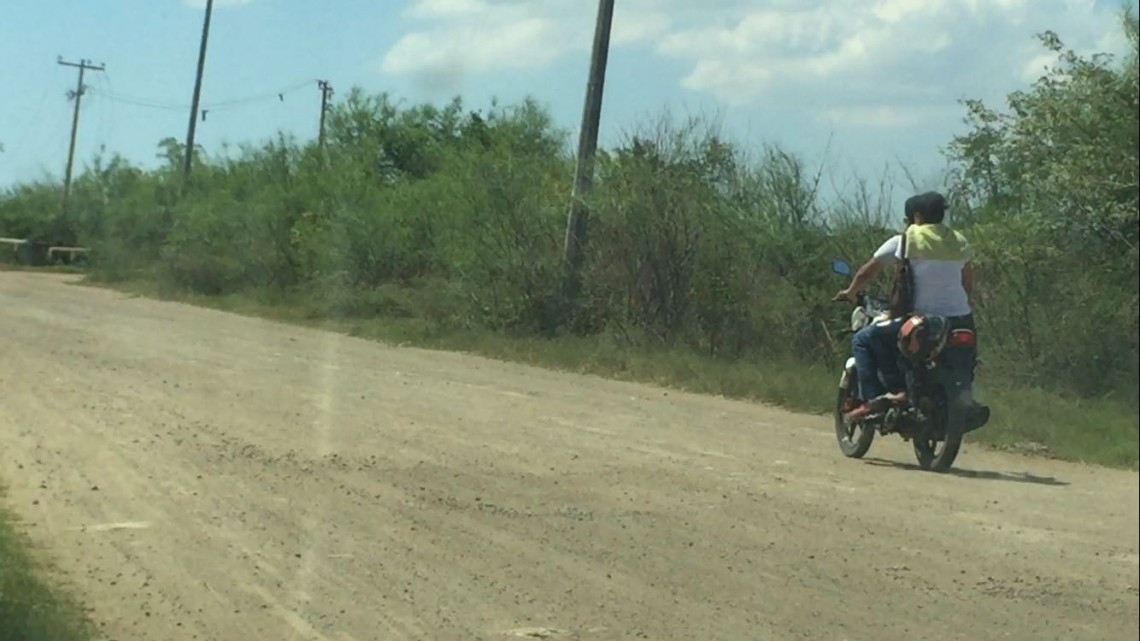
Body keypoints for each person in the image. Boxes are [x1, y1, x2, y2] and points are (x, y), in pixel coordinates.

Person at [834, 191, 976, 420]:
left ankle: (878, 398)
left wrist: (850, 292)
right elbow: (968, 284)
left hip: (921, 321)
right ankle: (965, 397)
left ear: (917, 216)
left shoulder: (907, 239)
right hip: (960, 318)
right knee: (966, 357)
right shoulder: (959, 241)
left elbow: (866, 272)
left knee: (863, 339)